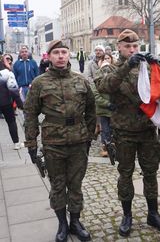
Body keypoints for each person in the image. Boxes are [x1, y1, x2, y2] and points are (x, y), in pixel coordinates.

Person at [94, 29, 160, 237]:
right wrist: (127, 65)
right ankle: (127, 215)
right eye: (127, 46)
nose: (132, 49)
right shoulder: (111, 67)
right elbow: (105, 86)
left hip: (147, 130)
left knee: (151, 172)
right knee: (125, 173)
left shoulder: (147, 67)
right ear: (119, 47)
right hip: (124, 131)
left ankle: (153, 214)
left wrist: (159, 65)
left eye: (135, 46)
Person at [24, 40, 96, 242]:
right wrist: (31, 143)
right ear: (49, 57)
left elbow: (91, 109)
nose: (61, 56)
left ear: (68, 54)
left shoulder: (81, 80)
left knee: (75, 184)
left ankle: (75, 221)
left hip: (78, 140)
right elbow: (30, 114)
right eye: (56, 52)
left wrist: (89, 135)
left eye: (64, 52)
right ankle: (62, 224)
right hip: (53, 142)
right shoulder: (40, 82)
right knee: (57, 185)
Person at [0, 54, 24, 150]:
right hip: (6, 102)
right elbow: (13, 90)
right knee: (11, 122)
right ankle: (16, 143)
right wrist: (20, 104)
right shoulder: (7, 73)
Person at [94, 53, 115, 157]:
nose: (106, 71)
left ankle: (113, 146)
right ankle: (105, 147)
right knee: (105, 130)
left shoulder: (115, 77)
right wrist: (107, 104)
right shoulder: (96, 79)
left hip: (113, 108)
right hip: (103, 109)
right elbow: (96, 95)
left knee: (113, 129)